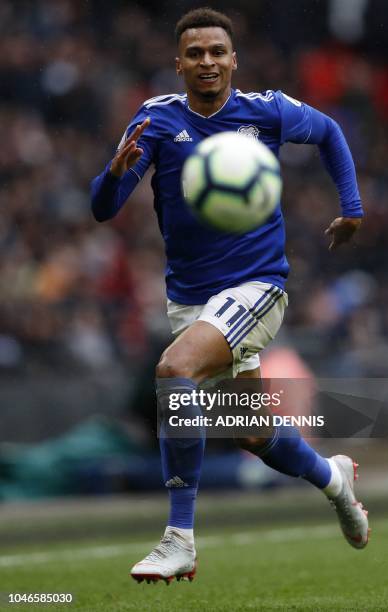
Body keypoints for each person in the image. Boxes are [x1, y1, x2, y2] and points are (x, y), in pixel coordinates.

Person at [91, 7, 369, 584]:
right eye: (195, 53)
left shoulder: (265, 112)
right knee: (253, 431)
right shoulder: (157, 121)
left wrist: (352, 208)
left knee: (174, 371)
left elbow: (330, 133)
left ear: (234, 59)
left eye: (217, 51)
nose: (207, 62)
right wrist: (114, 176)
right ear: (178, 63)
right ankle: (335, 480)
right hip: (192, 301)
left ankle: (179, 538)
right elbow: (103, 209)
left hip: (257, 288)